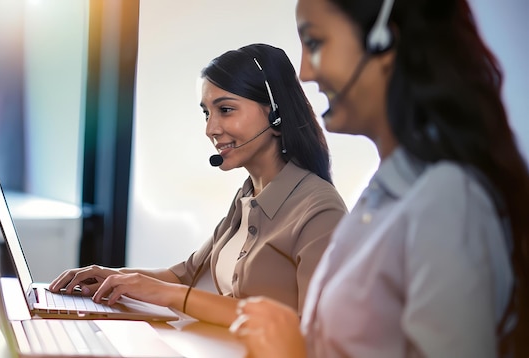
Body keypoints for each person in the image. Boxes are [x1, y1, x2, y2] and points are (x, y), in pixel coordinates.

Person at [230, 0, 529, 357]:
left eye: (315, 43)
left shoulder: (448, 201)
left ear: (384, 41)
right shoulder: (382, 196)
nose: (305, 72)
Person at [49, 43, 348, 327]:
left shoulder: (320, 211)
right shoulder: (249, 194)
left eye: (226, 110)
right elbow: (185, 276)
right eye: (207, 113)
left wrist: (171, 296)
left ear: (276, 113)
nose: (211, 129)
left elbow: (312, 330)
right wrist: (112, 277)